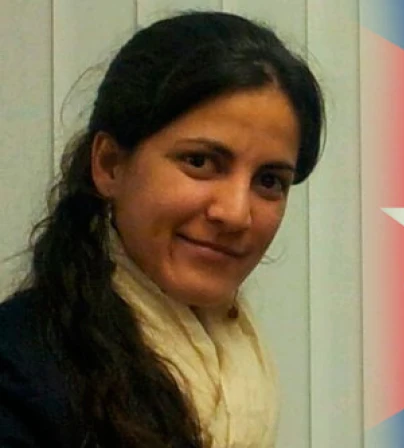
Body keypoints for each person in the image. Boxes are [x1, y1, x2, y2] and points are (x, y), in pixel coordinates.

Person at [0, 11, 324, 448]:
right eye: (200, 162)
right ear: (110, 165)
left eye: (268, 181)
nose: (235, 213)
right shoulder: (18, 377)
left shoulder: (242, 372)